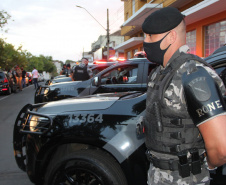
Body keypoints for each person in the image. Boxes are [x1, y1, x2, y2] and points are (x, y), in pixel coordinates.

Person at [142, 7, 226, 185]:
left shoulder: (195, 76)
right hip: (156, 175)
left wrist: (206, 166)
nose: (145, 41)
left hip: (187, 178)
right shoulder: (159, 73)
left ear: (171, 36)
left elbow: (221, 149)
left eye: (150, 36)